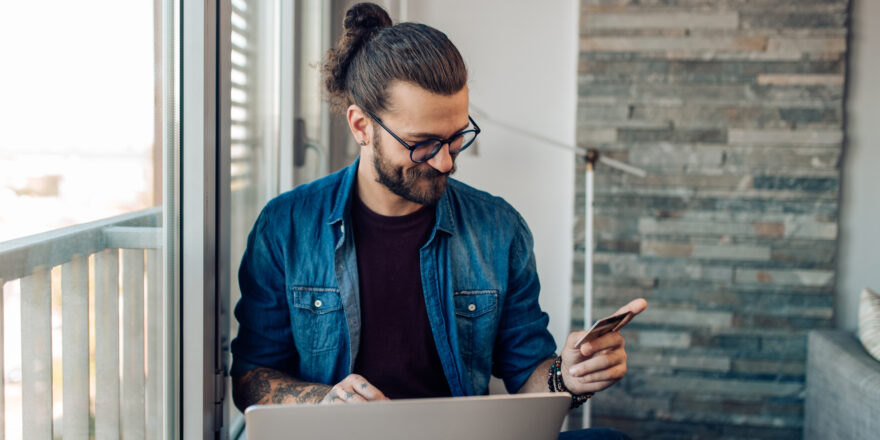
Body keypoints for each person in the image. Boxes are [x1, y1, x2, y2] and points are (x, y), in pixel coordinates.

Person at [230, 3, 647, 439]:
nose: (446, 162)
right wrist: (327, 403)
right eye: (423, 144)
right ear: (361, 126)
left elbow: (529, 375)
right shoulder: (286, 226)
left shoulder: (499, 229)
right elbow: (253, 377)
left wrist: (568, 376)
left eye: (456, 137)